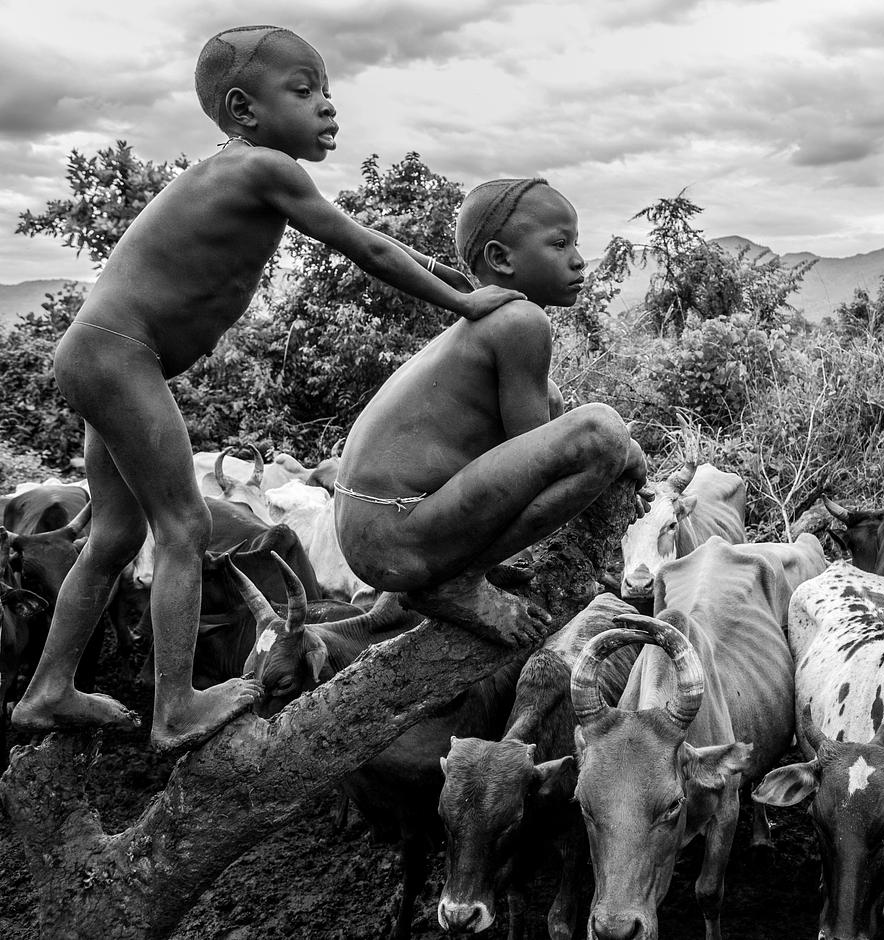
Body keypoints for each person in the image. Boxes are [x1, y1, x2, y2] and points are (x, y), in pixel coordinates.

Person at [11, 25, 524, 752]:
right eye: (305, 90)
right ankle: (175, 709)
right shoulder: (262, 168)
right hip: (120, 355)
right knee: (183, 530)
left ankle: (47, 690)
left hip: (103, 356)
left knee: (116, 536)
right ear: (245, 110)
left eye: (326, 90)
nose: (327, 106)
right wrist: (469, 306)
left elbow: (385, 240)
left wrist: (462, 283)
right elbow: (367, 249)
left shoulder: (244, 170)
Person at [335, 177, 650, 646]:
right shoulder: (523, 320)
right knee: (601, 431)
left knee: (553, 398)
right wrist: (624, 452)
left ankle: (462, 563)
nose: (580, 259)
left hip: (376, 530)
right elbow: (539, 460)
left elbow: (533, 436)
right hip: (393, 534)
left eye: (576, 243)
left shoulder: (490, 321)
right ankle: (456, 582)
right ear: (501, 259)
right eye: (560, 244)